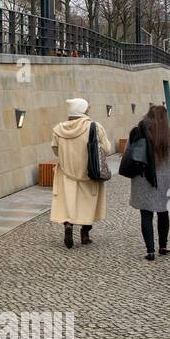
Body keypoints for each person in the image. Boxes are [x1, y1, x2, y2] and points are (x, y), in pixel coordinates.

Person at [51, 98, 113, 249]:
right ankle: (85, 233)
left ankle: (68, 224)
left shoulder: (58, 129)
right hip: (89, 173)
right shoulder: (95, 127)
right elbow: (107, 149)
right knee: (88, 205)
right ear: (83, 110)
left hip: (67, 174)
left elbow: (55, 150)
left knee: (69, 203)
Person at [126, 105, 170, 261]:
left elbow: (128, 154)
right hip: (165, 180)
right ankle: (163, 246)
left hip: (141, 179)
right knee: (164, 213)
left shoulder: (137, 132)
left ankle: (150, 250)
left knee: (145, 214)